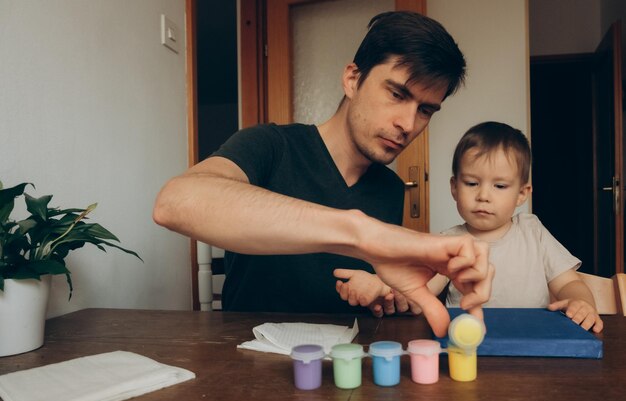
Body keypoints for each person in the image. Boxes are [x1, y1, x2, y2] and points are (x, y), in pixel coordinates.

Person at [152, 11, 493, 337]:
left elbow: (358, 294)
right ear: (352, 79)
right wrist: (361, 231)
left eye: (425, 110)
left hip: (340, 370)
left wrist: (386, 295)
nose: (407, 124)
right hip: (245, 363)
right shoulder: (271, 144)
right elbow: (175, 202)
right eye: (396, 94)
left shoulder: (389, 188)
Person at [336, 121, 604, 333]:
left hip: (531, 341)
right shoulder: (448, 242)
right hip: (468, 344)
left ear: (523, 193)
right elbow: (419, 293)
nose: (483, 196)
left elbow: (569, 283)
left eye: (499, 186)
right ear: (454, 187)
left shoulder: (532, 231)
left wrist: (582, 304)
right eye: (472, 183)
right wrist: (381, 287)